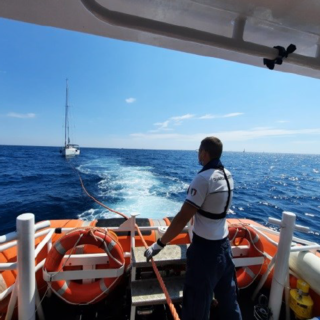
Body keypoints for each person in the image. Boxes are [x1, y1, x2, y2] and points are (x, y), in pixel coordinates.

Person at [144, 136, 242, 320]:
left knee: (196, 305)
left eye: (199, 151)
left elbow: (182, 218)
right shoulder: (228, 175)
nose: (198, 154)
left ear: (204, 153)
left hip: (205, 252)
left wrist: (158, 245)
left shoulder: (203, 179)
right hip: (224, 248)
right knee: (229, 302)